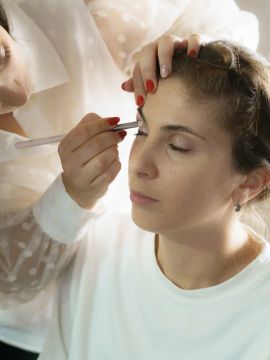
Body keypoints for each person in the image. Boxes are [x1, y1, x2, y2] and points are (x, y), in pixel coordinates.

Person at [0, 0, 260, 358]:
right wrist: (70, 196)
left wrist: (195, 55)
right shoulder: (94, 264)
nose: (137, 165)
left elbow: (242, 74)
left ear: (251, 182)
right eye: (142, 131)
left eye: (179, 146)